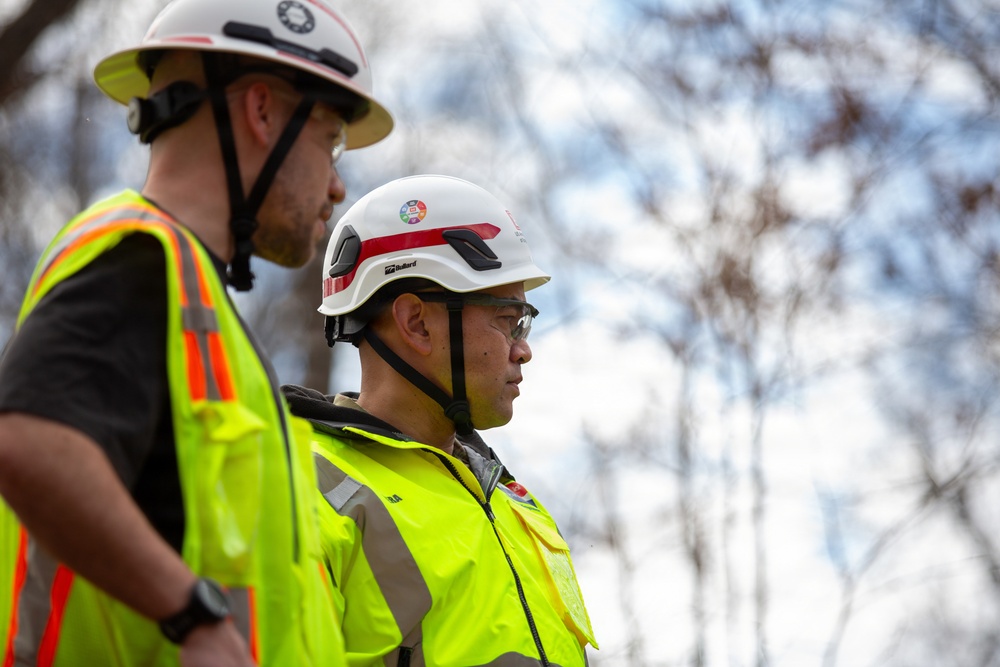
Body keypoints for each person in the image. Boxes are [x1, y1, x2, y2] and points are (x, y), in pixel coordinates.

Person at [0, 0, 393, 664]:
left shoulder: (191, 302)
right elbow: (29, 442)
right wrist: (193, 615)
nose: (336, 186)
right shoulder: (141, 259)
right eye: (330, 141)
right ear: (262, 111)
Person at [281, 174, 599, 666]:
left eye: (524, 324)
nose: (523, 349)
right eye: (508, 320)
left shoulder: (515, 503)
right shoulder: (305, 491)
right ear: (417, 324)